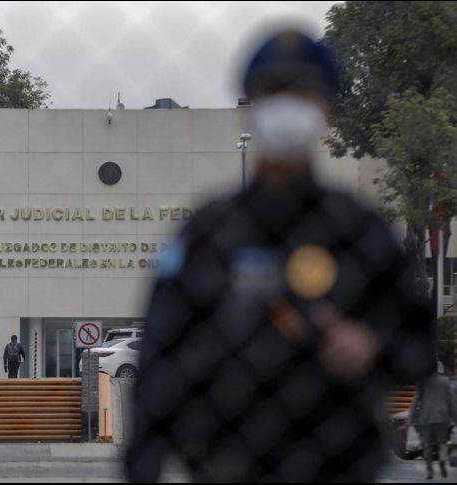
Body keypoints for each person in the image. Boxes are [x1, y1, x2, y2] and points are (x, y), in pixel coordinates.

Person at [125, 28, 435, 482]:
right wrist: (142, 465)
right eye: (273, 92)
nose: (287, 107)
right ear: (247, 113)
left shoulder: (361, 231)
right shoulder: (206, 233)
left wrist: (372, 351)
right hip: (229, 465)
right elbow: (157, 356)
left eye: (303, 93)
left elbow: (420, 347)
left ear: (326, 111)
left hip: (338, 465)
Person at [410, 361, 457, 479]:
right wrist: (455, 417)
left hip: (425, 418)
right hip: (443, 417)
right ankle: (442, 459)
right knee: (442, 442)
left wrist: (411, 417)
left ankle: (429, 470)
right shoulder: (445, 381)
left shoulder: (422, 380)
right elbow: (451, 401)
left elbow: (416, 401)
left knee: (427, 445)